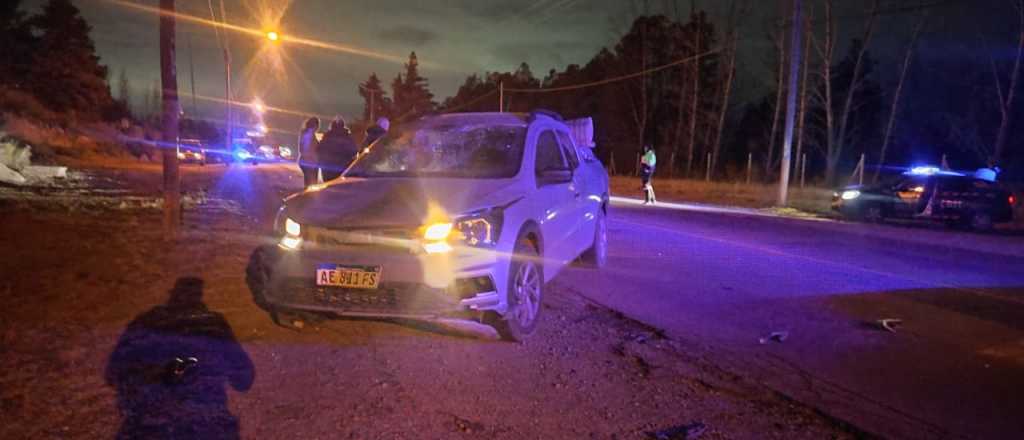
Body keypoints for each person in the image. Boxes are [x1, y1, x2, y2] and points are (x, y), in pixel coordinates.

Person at [318, 116, 359, 181]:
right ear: (343, 125)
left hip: (328, 168)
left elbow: (319, 150)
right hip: (343, 168)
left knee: (328, 188)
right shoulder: (347, 137)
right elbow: (354, 151)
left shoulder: (327, 136)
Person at [297, 117, 320, 188]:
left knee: (308, 183)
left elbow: (301, 149)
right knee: (312, 184)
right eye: (318, 125)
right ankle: (309, 197)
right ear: (315, 125)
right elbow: (309, 149)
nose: (318, 127)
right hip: (310, 162)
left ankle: (307, 195)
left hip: (305, 161)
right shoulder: (310, 134)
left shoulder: (304, 133)